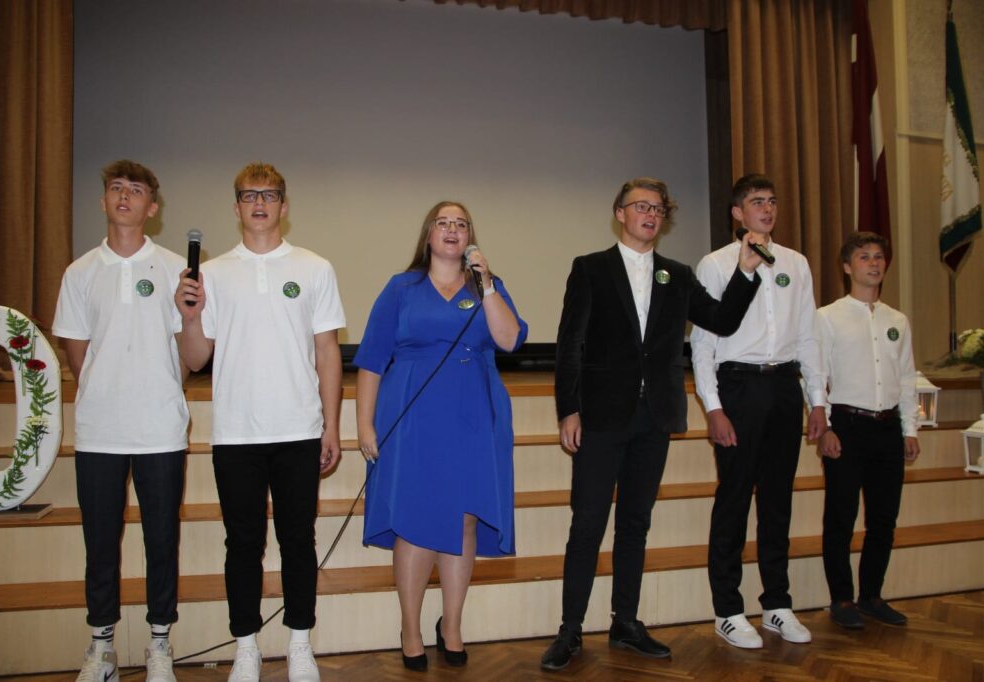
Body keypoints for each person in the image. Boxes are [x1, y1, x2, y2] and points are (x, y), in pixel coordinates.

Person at [541, 177, 762, 672]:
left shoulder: (676, 275)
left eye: (658, 208)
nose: (650, 214)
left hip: (654, 416)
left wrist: (746, 272)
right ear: (620, 213)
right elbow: (570, 343)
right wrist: (568, 409)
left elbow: (722, 320)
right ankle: (570, 629)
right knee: (588, 523)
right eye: (640, 206)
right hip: (600, 416)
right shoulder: (590, 268)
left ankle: (626, 622)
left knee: (635, 524)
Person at [175, 163, 345, 682]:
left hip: (299, 430)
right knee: (242, 544)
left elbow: (327, 352)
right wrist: (189, 317)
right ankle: (245, 646)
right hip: (237, 433)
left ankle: (300, 644)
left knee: (299, 541)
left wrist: (331, 426)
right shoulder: (213, 274)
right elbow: (196, 358)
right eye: (249, 196)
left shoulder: (315, 267)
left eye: (269, 195)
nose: (259, 204)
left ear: (284, 206)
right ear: (236, 207)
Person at [354, 201, 527, 672]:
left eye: (461, 224)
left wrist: (487, 284)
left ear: (470, 236)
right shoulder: (401, 288)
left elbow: (509, 339)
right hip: (411, 414)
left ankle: (451, 624)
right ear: (428, 235)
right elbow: (371, 359)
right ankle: (410, 628)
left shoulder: (488, 285)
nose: (452, 230)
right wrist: (365, 424)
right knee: (414, 519)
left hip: (475, 414)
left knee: (466, 517)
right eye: (443, 223)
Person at [53, 160, 188, 682]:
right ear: (104, 201)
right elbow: (78, 355)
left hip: (160, 428)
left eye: (136, 190)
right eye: (116, 188)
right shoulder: (80, 272)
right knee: (100, 542)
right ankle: (101, 646)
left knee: (162, 540)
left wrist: (155, 385)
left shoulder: (176, 269)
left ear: (153, 207)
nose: (125, 196)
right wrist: (110, 389)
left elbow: (187, 352)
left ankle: (160, 644)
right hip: (100, 430)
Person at [691, 174, 828, 649]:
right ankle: (728, 610)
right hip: (738, 386)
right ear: (737, 212)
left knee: (777, 500)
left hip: (784, 386)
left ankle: (777, 603)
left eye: (771, 201)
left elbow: (808, 336)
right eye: (756, 202)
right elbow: (703, 344)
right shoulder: (715, 264)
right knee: (734, 499)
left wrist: (817, 400)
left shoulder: (796, 262)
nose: (766, 209)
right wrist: (713, 407)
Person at [817, 231, 920, 629]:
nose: (874, 263)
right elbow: (816, 375)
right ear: (847, 267)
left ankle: (872, 596)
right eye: (864, 257)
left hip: (888, 427)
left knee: (883, 519)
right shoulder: (828, 317)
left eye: (879, 256)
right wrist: (825, 427)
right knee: (840, 517)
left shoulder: (898, 320)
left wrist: (910, 429)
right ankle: (841, 599)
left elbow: (907, 377)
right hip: (846, 425)